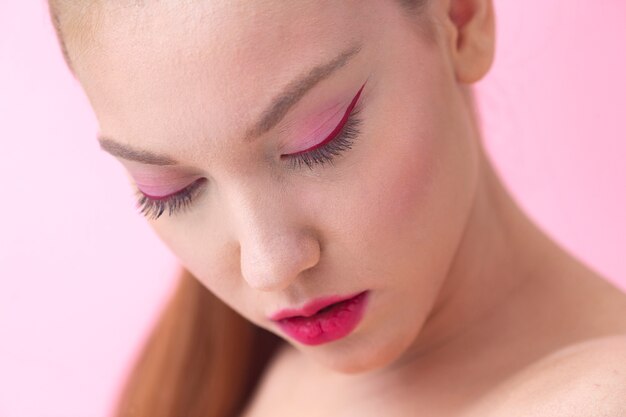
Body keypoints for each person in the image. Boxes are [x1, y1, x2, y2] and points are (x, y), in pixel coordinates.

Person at [48, 1, 626, 416]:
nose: (269, 266)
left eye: (318, 140)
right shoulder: (229, 375)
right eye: (170, 190)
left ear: (460, 18)